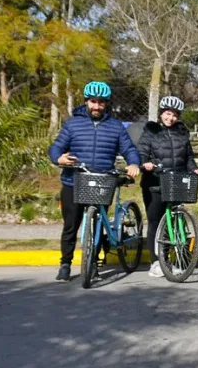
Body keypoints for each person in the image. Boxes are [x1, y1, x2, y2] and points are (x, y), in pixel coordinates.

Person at [48, 81, 141, 282]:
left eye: (101, 102)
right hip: (74, 181)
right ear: (86, 102)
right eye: (93, 102)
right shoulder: (72, 124)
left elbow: (129, 149)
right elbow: (56, 147)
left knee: (99, 222)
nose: (97, 106)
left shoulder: (115, 126)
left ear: (106, 104)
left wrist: (133, 163)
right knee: (71, 226)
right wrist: (59, 158)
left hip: (102, 181)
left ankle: (93, 263)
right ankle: (65, 264)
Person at [137, 96, 198, 278]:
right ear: (161, 114)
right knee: (155, 222)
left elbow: (188, 157)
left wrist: (195, 169)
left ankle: (176, 260)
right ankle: (156, 261)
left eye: (174, 115)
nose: (171, 118)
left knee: (175, 223)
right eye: (167, 113)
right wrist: (145, 164)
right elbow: (141, 151)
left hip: (176, 181)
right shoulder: (151, 131)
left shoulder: (182, 132)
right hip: (155, 182)